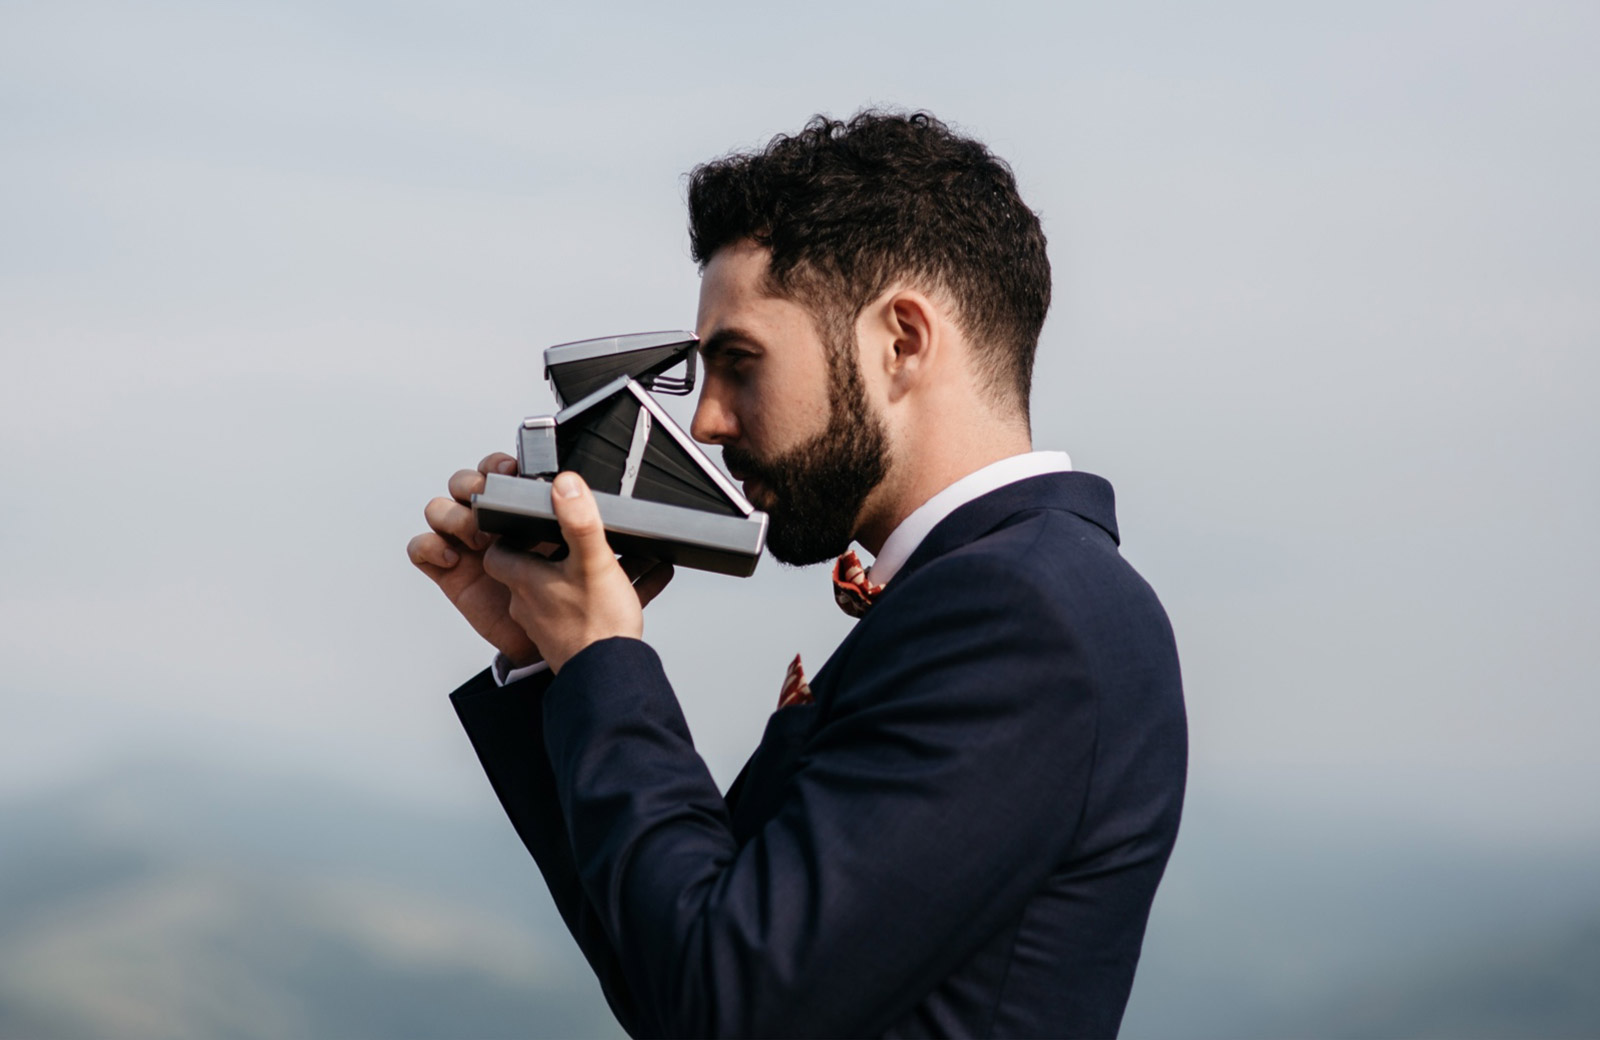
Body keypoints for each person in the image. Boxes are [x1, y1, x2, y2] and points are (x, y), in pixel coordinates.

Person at [408, 111, 1186, 1039]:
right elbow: (670, 980)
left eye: (739, 362)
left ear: (902, 340)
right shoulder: (1007, 591)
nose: (707, 422)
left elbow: (730, 999)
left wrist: (604, 658)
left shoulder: (1024, 613)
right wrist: (551, 659)